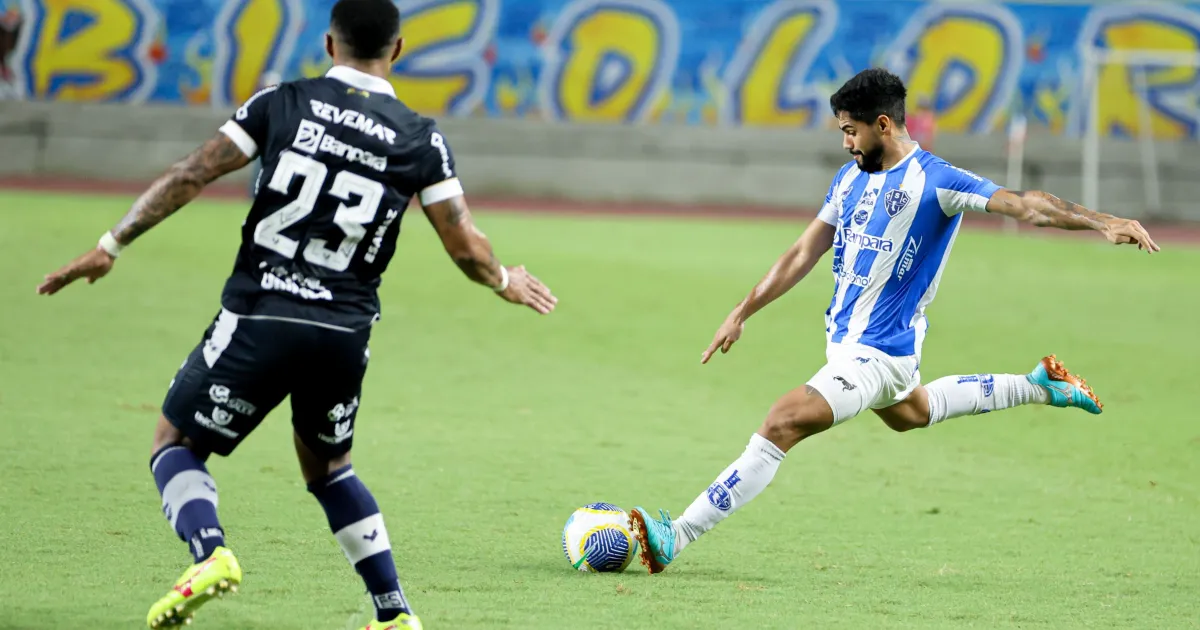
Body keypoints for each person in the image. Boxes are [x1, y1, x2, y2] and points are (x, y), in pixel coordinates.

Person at [35, 0, 557, 627]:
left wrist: (110, 244)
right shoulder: (421, 137)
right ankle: (393, 614)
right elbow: (466, 245)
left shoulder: (280, 102)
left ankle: (211, 554)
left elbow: (192, 172)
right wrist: (504, 280)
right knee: (330, 466)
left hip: (260, 315)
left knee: (173, 443)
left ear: (329, 44)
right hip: (343, 333)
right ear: (398, 50)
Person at [626, 68, 1158, 575]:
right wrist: (742, 311)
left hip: (878, 354)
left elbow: (1027, 206)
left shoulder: (937, 181)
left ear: (883, 124)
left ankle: (678, 533)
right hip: (853, 347)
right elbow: (802, 252)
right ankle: (1039, 385)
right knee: (910, 412)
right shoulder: (847, 180)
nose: (845, 143)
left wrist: (1101, 221)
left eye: (850, 131)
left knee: (781, 422)